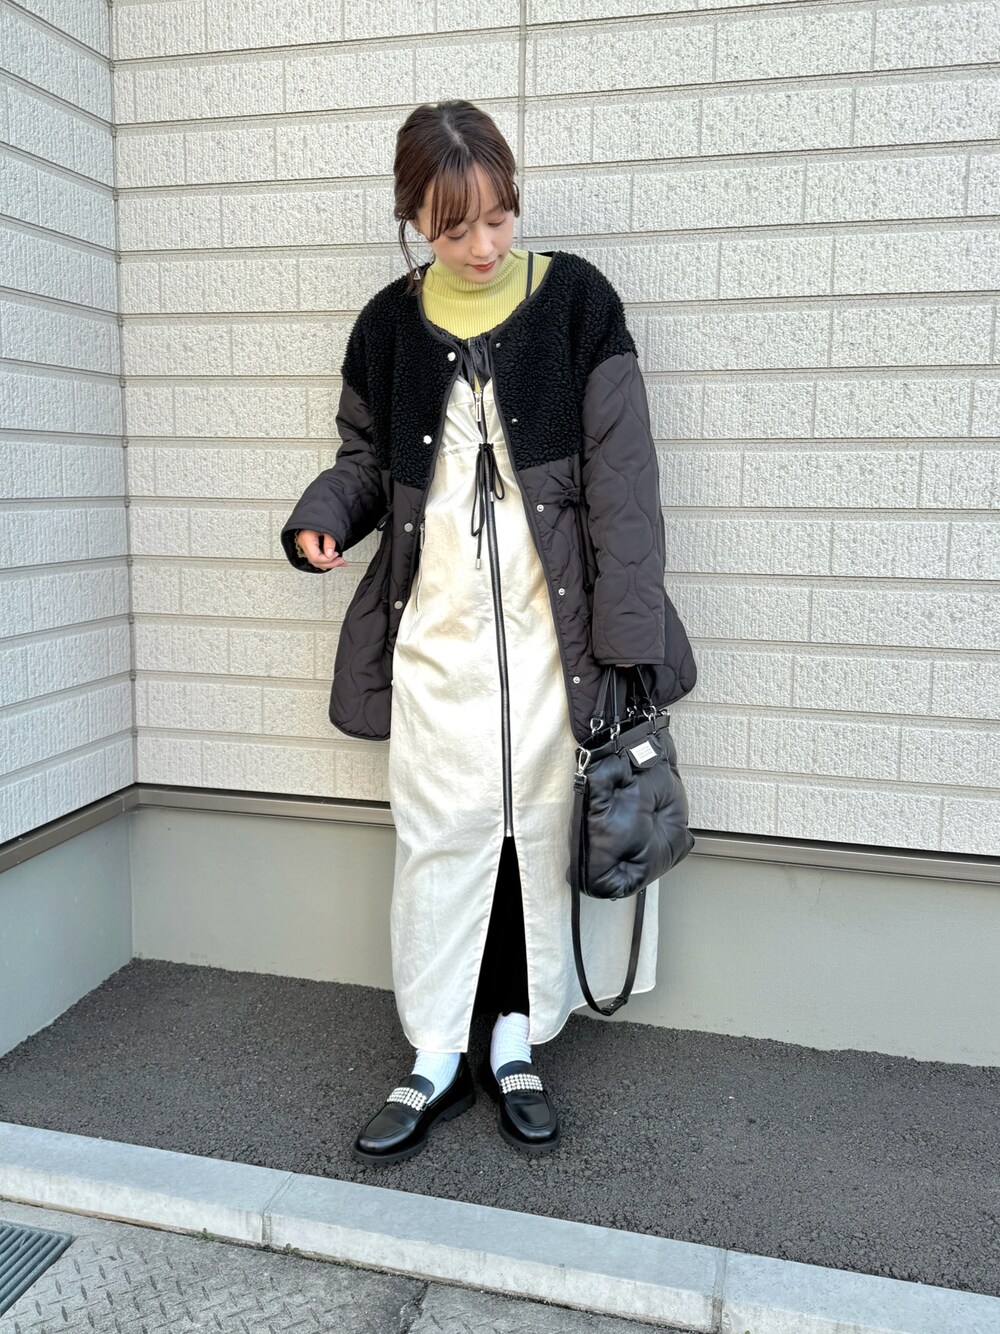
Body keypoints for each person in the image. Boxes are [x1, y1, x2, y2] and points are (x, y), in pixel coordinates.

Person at [280, 100, 696, 1165]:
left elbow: (627, 487)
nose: (480, 246)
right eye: (452, 227)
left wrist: (628, 642)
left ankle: (515, 1041)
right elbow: (366, 459)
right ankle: (434, 1052)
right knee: (440, 835)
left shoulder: (577, 304)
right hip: (437, 635)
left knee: (537, 836)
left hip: (560, 639)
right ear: (414, 219)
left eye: (498, 219)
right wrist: (325, 515)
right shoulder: (386, 326)